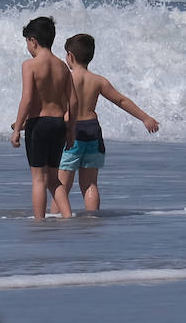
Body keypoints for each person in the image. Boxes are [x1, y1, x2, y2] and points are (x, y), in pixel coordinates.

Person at [55, 33, 160, 212]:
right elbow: (121, 101)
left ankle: (57, 218)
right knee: (90, 184)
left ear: (70, 56)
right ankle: (92, 218)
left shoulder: (65, 79)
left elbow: (50, 105)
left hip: (71, 132)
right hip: (92, 132)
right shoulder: (99, 80)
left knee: (61, 185)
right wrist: (145, 118)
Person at [11, 16, 78, 219]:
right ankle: (67, 216)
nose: (28, 48)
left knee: (39, 179)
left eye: (27, 43)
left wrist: (17, 128)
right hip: (58, 125)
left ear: (33, 40)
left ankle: (39, 221)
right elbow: (73, 102)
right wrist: (71, 130)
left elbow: (28, 98)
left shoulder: (30, 65)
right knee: (54, 179)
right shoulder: (62, 67)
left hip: (38, 125)